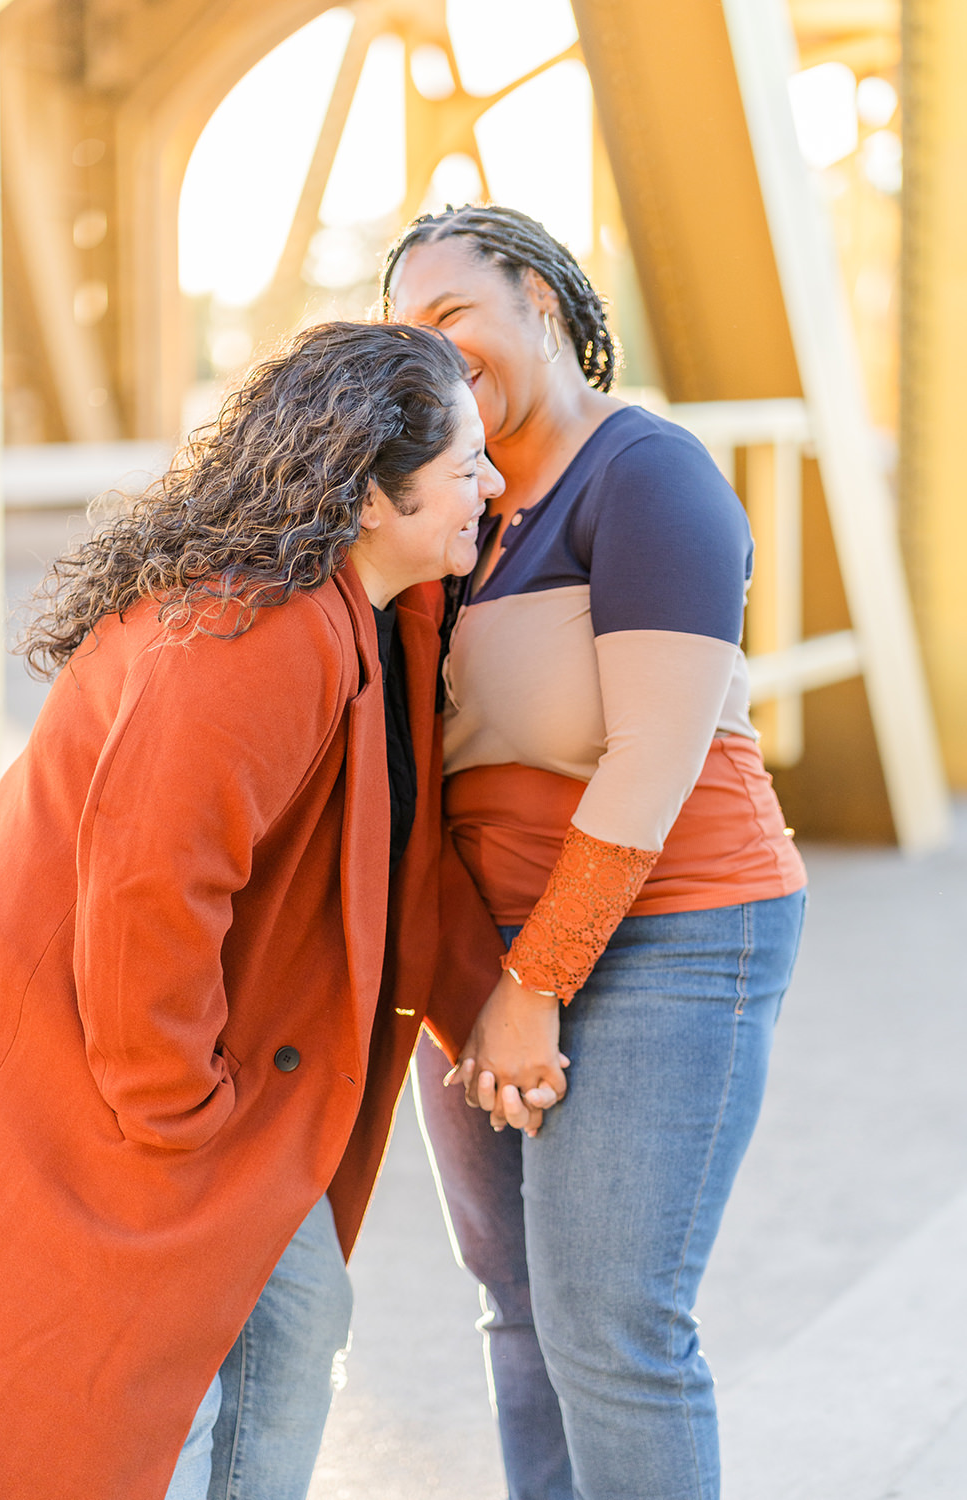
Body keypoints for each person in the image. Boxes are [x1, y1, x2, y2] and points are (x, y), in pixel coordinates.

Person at [0, 320, 505, 1500]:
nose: (494, 485)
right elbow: (152, 882)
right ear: (372, 495)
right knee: (133, 1392)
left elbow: (389, 861)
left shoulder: (339, 611)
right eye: (466, 465)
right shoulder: (256, 633)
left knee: (291, 1318)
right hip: (107, 1074)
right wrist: (182, 1112)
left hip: (163, 1074)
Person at [382, 205, 809, 1500]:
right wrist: (475, 984)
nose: (433, 355)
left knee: (612, 1331)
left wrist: (538, 982)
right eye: (405, 336)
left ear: (545, 308)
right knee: (516, 1310)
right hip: (496, 953)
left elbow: (654, 759)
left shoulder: (647, 477)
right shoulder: (452, 515)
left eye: (453, 316)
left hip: (675, 930)